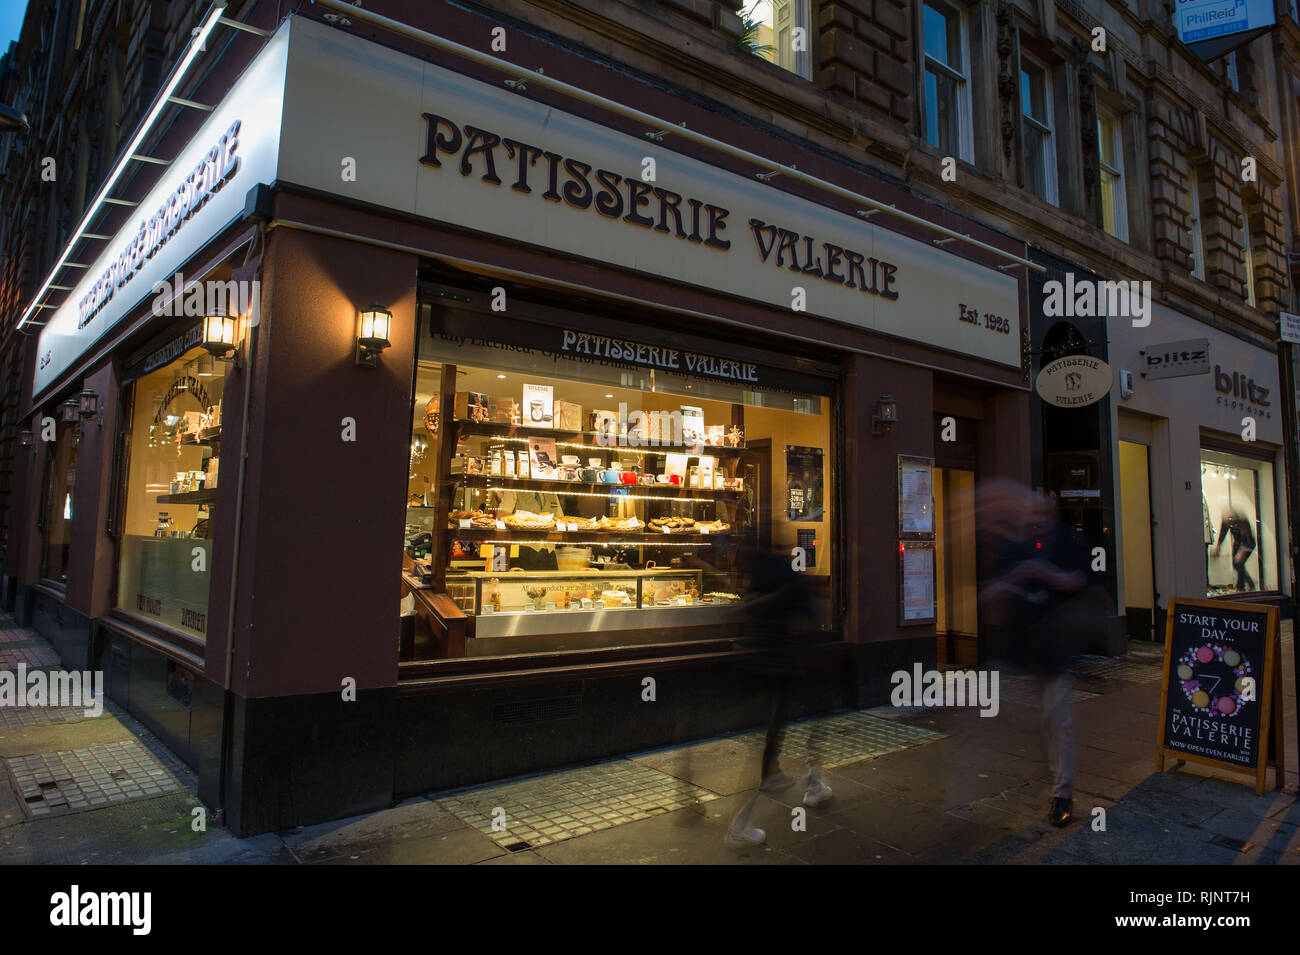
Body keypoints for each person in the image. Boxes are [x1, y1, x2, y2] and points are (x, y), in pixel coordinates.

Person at [978, 482, 1089, 828]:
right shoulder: (1020, 544)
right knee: (1045, 722)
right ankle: (1056, 779)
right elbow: (1003, 583)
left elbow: (1079, 580)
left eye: (1041, 513)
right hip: (1030, 649)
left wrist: (1047, 575)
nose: (1036, 519)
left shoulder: (1067, 542)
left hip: (1057, 646)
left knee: (1058, 721)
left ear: (1051, 514)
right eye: (1032, 513)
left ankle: (1063, 794)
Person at [724, 539, 831, 848]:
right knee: (779, 742)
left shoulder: (757, 579)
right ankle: (741, 824)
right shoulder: (789, 579)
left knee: (771, 738)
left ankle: (811, 782)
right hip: (786, 664)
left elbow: (746, 616)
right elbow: (808, 620)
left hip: (760, 665)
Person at [1215, 503, 1257, 592]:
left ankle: (1242, 586)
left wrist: (1242, 550)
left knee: (1238, 564)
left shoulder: (1241, 520)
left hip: (1247, 543)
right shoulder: (1226, 520)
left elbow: (1247, 536)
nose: (1226, 519)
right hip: (1238, 543)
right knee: (1236, 564)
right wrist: (1219, 545)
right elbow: (1223, 532)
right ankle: (1247, 584)